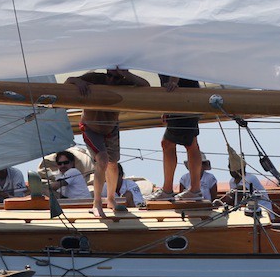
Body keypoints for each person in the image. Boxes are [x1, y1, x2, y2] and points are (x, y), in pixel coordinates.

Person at [68, 67, 147, 214]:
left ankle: (111, 200)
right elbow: (69, 81)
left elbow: (146, 86)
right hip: (91, 128)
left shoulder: (123, 84)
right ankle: (97, 203)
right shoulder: (95, 78)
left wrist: (127, 75)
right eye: (109, 75)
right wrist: (78, 82)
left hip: (111, 129)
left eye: (116, 78)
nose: (111, 80)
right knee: (102, 160)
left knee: (113, 165)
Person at [157, 74, 204, 202]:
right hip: (182, 97)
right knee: (190, 143)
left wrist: (173, 80)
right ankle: (194, 189)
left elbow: (177, 60)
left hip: (184, 96)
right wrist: (167, 108)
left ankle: (169, 190)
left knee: (169, 143)